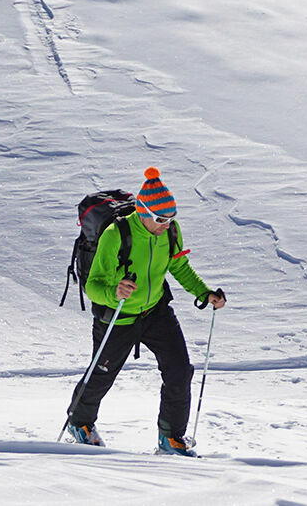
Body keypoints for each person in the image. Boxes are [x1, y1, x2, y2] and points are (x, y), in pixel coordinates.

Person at [63, 167, 226, 457]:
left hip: (155, 312)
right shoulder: (116, 234)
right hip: (118, 317)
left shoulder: (170, 231)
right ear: (143, 212)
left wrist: (204, 292)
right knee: (102, 375)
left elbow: (178, 266)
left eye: (171, 218)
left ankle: (171, 438)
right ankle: (80, 423)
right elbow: (93, 286)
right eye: (161, 219)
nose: (167, 224)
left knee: (179, 371)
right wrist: (115, 292)